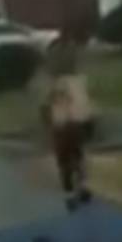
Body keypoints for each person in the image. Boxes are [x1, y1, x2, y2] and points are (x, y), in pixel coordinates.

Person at [40, 33, 97, 211]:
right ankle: (82, 186)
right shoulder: (79, 80)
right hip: (80, 120)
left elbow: (47, 104)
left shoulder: (54, 83)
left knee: (65, 160)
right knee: (78, 156)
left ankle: (71, 192)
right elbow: (86, 102)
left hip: (63, 124)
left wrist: (46, 120)